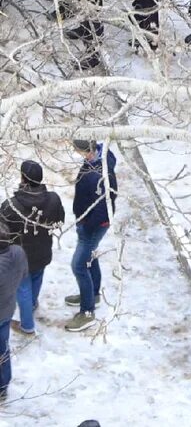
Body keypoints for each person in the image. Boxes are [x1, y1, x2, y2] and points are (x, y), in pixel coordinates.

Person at [0, 160, 64, 336]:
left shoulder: (10, 206)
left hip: (21, 257)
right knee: (37, 278)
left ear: (23, 178)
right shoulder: (54, 199)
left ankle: (27, 326)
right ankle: (32, 304)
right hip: (43, 251)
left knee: (23, 289)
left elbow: (3, 235)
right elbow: (59, 220)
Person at [65, 139, 117, 333]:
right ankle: (92, 294)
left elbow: (104, 207)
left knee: (78, 265)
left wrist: (86, 225)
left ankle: (87, 312)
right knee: (90, 257)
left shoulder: (99, 173)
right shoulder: (97, 159)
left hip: (93, 225)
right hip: (89, 221)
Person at [0, 224, 26, 400]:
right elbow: (24, 275)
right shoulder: (17, 252)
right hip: (7, 309)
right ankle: (3, 385)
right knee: (3, 349)